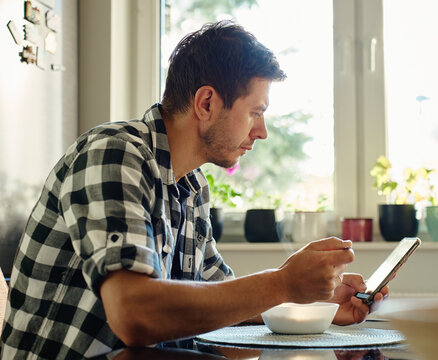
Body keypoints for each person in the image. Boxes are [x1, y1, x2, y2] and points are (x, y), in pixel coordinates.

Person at [0, 20, 388, 359]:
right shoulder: (114, 154)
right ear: (206, 102)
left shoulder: (192, 186)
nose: (262, 132)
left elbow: (221, 299)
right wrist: (283, 282)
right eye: (256, 112)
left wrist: (314, 301)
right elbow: (134, 313)